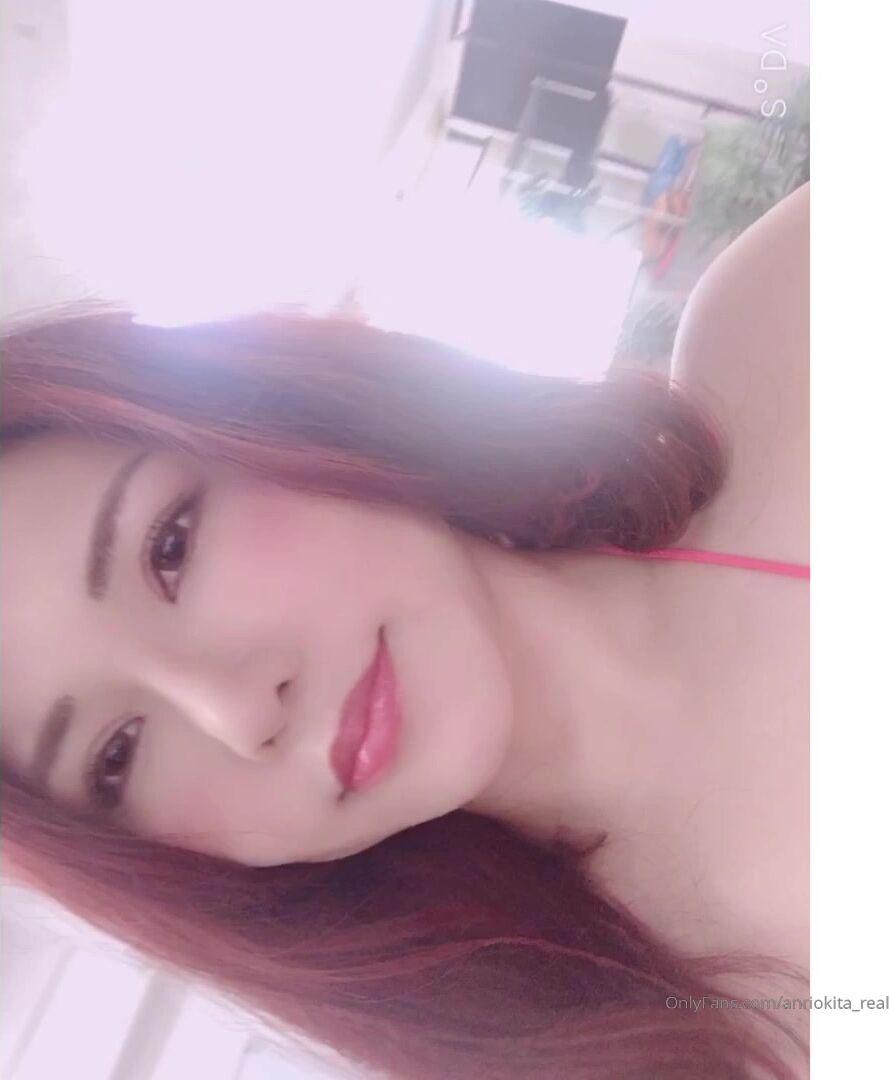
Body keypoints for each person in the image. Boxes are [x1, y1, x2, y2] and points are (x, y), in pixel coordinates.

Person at [0, 183, 810, 1079]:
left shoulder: (794, 319)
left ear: (266, 416)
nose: (236, 709)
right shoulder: (675, 1047)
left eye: (170, 549)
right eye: (115, 757)